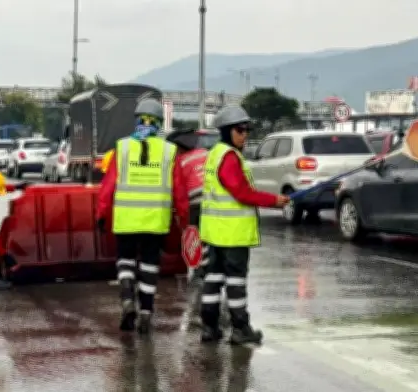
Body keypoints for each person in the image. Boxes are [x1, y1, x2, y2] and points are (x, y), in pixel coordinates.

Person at [97, 98, 189, 334]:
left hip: (126, 219)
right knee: (149, 265)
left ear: (137, 120)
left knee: (125, 261)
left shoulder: (123, 147)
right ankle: (146, 312)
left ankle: (128, 300)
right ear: (159, 123)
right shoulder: (169, 151)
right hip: (155, 220)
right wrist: (185, 220)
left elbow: (108, 185)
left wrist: (101, 213)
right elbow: (179, 190)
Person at [199, 106, 290, 346]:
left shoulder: (215, 153)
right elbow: (241, 192)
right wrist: (274, 200)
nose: (245, 134)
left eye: (248, 130)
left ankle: (209, 327)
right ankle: (240, 328)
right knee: (235, 282)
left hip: (215, 232)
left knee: (213, 280)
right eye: (241, 130)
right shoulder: (229, 157)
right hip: (232, 234)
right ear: (228, 131)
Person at [165, 128, 209, 283]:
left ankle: (201, 270)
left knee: (195, 237)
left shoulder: (179, 162)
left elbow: (178, 191)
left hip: (195, 204)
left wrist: (178, 214)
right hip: (216, 202)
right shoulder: (205, 153)